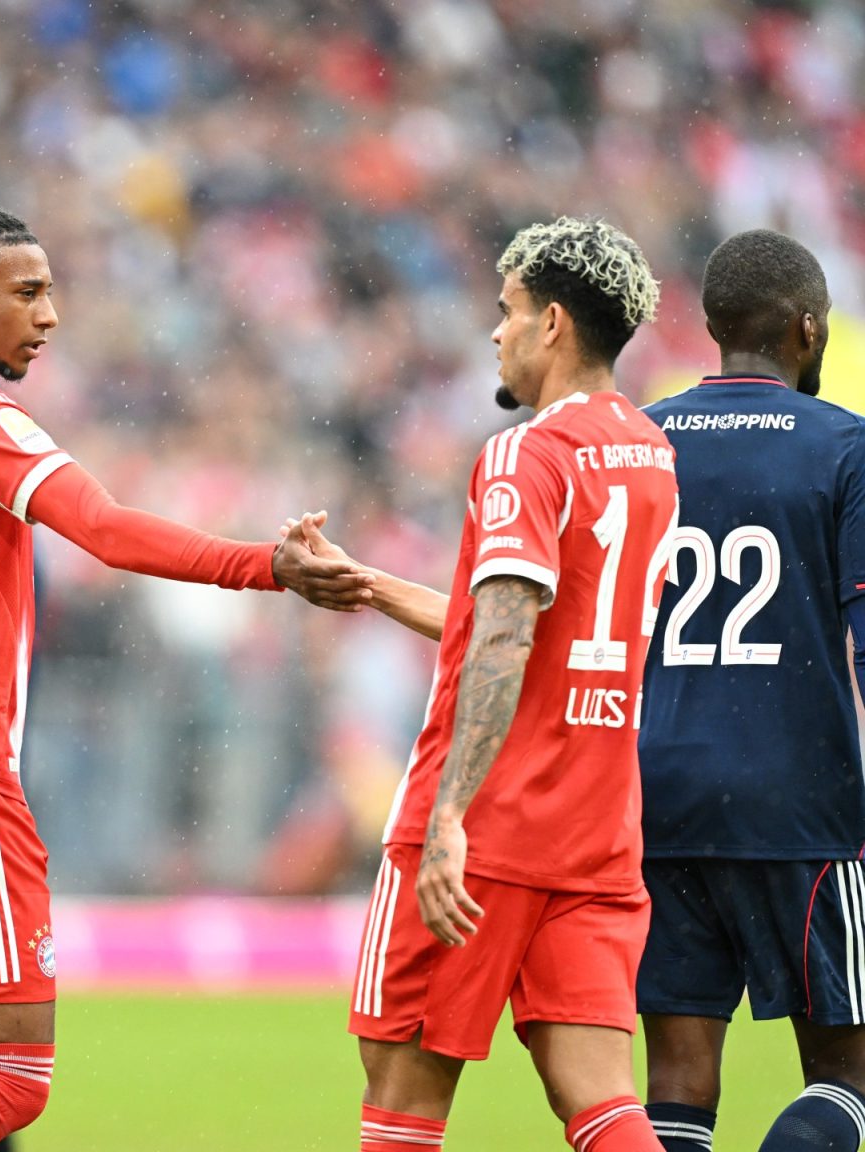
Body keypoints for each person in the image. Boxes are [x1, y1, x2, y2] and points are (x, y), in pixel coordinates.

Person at [0, 198, 369, 1152]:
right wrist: (265, 566)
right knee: (12, 1076)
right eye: (26, 292)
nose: (50, 315)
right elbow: (103, 528)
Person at [327, 216, 678, 1152]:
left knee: (402, 1094)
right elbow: (535, 626)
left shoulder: (527, 453)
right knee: (600, 1097)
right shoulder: (650, 454)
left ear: (551, 323)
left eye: (507, 310)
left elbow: (510, 636)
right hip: (597, 832)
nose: (496, 331)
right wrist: (373, 587)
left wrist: (449, 815)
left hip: (487, 825)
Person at [636, 229, 865, 1152]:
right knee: (849, 1078)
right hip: (799, 801)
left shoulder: (642, 439)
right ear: (808, 328)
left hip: (658, 794)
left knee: (676, 1086)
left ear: (714, 326)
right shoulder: (844, 445)